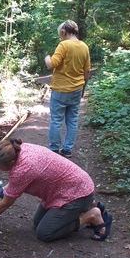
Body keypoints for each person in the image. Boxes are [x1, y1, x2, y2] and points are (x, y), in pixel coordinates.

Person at [0, 138, 112, 242]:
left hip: (76, 193)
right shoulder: (19, 148)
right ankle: (87, 205)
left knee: (45, 233)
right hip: (69, 188)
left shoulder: (21, 170)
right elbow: (16, 185)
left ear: (11, 163)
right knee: (38, 223)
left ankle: (91, 215)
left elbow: (6, 203)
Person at [44, 20, 91, 158]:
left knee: (56, 120)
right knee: (72, 120)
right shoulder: (84, 46)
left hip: (60, 90)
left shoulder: (64, 45)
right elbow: (86, 71)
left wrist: (47, 58)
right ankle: (67, 150)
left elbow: (52, 64)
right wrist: (83, 88)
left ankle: (54, 150)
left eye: (61, 33)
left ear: (64, 31)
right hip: (76, 89)